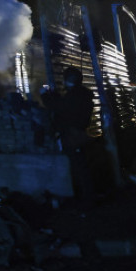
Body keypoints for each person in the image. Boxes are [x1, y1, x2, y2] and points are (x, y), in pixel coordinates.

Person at [41, 66, 95, 201]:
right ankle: (86, 197)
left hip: (73, 135)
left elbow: (60, 108)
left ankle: (87, 199)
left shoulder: (75, 95)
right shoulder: (81, 94)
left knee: (80, 169)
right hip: (77, 134)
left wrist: (44, 96)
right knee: (80, 166)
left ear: (70, 80)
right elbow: (64, 105)